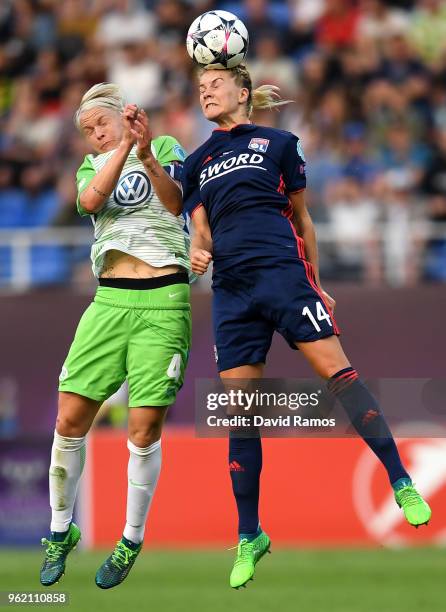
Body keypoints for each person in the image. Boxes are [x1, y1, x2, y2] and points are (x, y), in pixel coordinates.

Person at [182, 66, 432, 589]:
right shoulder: (196, 161)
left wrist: (316, 280)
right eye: (200, 85)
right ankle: (249, 534)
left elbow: (303, 218)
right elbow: (199, 232)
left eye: (215, 83)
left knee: (338, 375)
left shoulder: (279, 143)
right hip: (231, 292)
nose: (205, 89)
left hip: (282, 275)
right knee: (241, 413)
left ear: (243, 92)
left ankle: (402, 481)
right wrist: (197, 252)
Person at [40, 83, 192, 590]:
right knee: (68, 417)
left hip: (163, 299)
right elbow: (90, 202)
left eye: (101, 124)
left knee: (144, 430)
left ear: (122, 116)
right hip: (108, 301)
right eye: (87, 130)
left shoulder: (166, 148)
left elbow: (176, 204)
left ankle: (130, 538)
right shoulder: (93, 164)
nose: (95, 134)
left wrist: (146, 152)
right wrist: (122, 146)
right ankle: (61, 531)